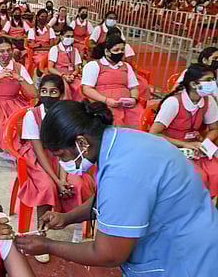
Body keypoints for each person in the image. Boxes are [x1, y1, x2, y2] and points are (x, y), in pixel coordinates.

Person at [14, 100, 218, 276]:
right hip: (195, 233)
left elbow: (108, 254)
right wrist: (68, 217)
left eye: (61, 156)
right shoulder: (121, 140)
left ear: (81, 143)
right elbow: (107, 201)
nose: (61, 163)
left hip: (184, 257)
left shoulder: (124, 172)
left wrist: (49, 246)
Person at [20, 75, 94, 263]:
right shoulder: (32, 115)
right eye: (44, 91)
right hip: (39, 159)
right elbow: (39, 151)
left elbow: (65, 149)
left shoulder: (66, 116)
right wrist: (57, 181)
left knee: (77, 183)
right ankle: (41, 234)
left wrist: (64, 178)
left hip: (63, 156)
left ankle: (78, 232)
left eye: (53, 92)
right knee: (46, 187)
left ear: (61, 95)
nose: (48, 96)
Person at [150, 64, 218, 197]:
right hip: (171, 146)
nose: (213, 83)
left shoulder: (208, 101)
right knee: (199, 177)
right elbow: (154, 133)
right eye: (208, 80)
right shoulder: (173, 102)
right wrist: (185, 144)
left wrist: (205, 142)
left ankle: (208, 208)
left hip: (195, 147)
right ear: (193, 84)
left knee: (216, 173)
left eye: (213, 79)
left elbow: (214, 128)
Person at [82, 35, 143, 127]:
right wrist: (106, 100)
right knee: (115, 125)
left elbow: (133, 87)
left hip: (126, 106)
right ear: (107, 51)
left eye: (122, 50)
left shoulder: (126, 66)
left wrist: (134, 99)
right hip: (104, 104)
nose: (120, 52)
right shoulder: (94, 65)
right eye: (116, 50)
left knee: (139, 122)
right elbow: (87, 89)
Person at [47, 26, 83, 101]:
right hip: (58, 75)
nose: (70, 38)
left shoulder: (75, 50)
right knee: (65, 89)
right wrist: (63, 76)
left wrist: (73, 75)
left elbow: (77, 68)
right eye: (67, 36)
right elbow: (50, 68)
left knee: (80, 87)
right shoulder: (55, 49)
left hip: (71, 76)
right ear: (61, 37)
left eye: (72, 36)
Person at [27, 9, 57, 77]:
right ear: (37, 18)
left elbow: (52, 46)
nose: (44, 18)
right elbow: (32, 46)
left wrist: (40, 46)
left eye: (46, 17)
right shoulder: (32, 30)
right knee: (41, 62)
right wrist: (41, 47)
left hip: (49, 53)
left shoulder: (50, 30)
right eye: (42, 16)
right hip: (37, 54)